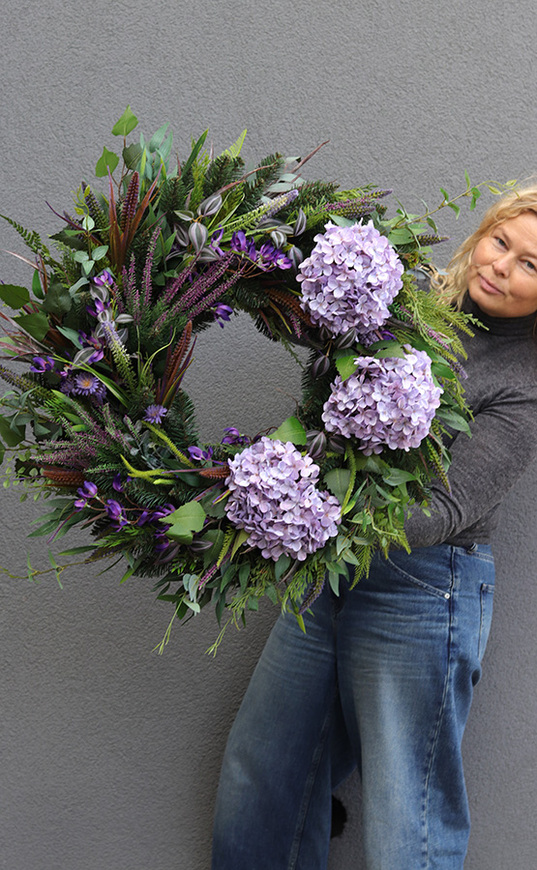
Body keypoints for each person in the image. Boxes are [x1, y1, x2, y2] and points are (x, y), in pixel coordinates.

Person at [211, 187, 537, 870]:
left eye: (529, 265)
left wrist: (311, 522)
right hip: (329, 570)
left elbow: (445, 509)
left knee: (405, 823)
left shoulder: (524, 382)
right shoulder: (411, 313)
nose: (500, 266)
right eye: (499, 242)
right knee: (263, 775)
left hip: (424, 590)